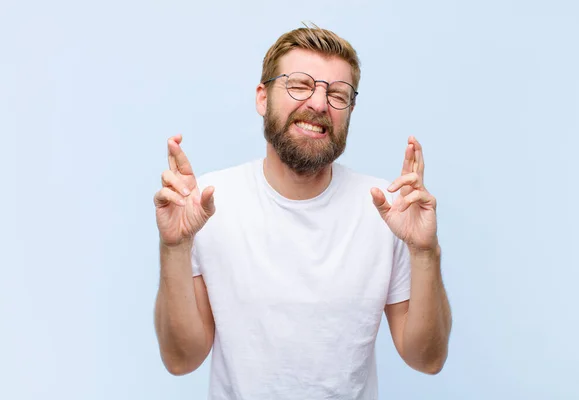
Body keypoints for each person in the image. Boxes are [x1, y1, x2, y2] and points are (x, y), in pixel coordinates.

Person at [153, 25, 452, 400]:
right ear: (263, 97)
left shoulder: (388, 209)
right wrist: (174, 248)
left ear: (350, 111)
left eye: (337, 94)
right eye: (299, 85)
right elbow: (181, 360)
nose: (319, 103)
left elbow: (427, 359)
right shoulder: (207, 204)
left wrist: (426, 252)